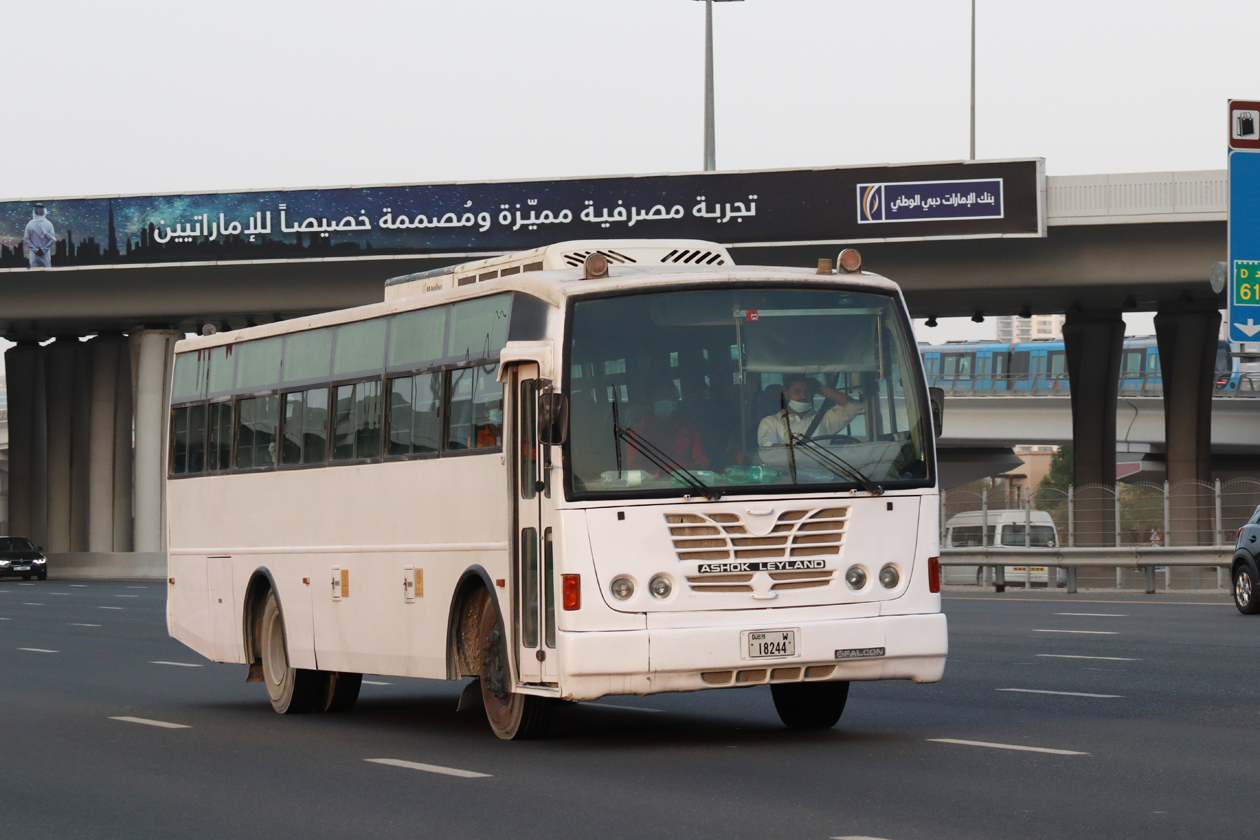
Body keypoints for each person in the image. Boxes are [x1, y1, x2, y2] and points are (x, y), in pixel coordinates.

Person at [757, 375, 864, 447]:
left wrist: (820, 388)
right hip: (787, 479)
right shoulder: (771, 422)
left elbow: (854, 406)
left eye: (807, 391)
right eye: (797, 391)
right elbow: (769, 449)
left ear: (813, 394)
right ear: (787, 394)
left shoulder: (825, 420)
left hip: (823, 478)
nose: (803, 395)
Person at [625, 380, 709, 473]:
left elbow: (701, 460)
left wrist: (700, 473)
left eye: (671, 398)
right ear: (651, 402)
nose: (668, 401)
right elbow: (634, 471)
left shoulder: (688, 429)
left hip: (687, 484)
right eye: (662, 397)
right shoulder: (638, 432)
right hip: (653, 486)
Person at [23, 204, 56, 269]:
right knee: (47, 275)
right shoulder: (49, 224)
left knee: (34, 275)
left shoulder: (30, 224)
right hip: (45, 255)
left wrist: (35, 250)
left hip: (34, 255)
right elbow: (52, 240)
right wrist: (43, 250)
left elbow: (26, 239)